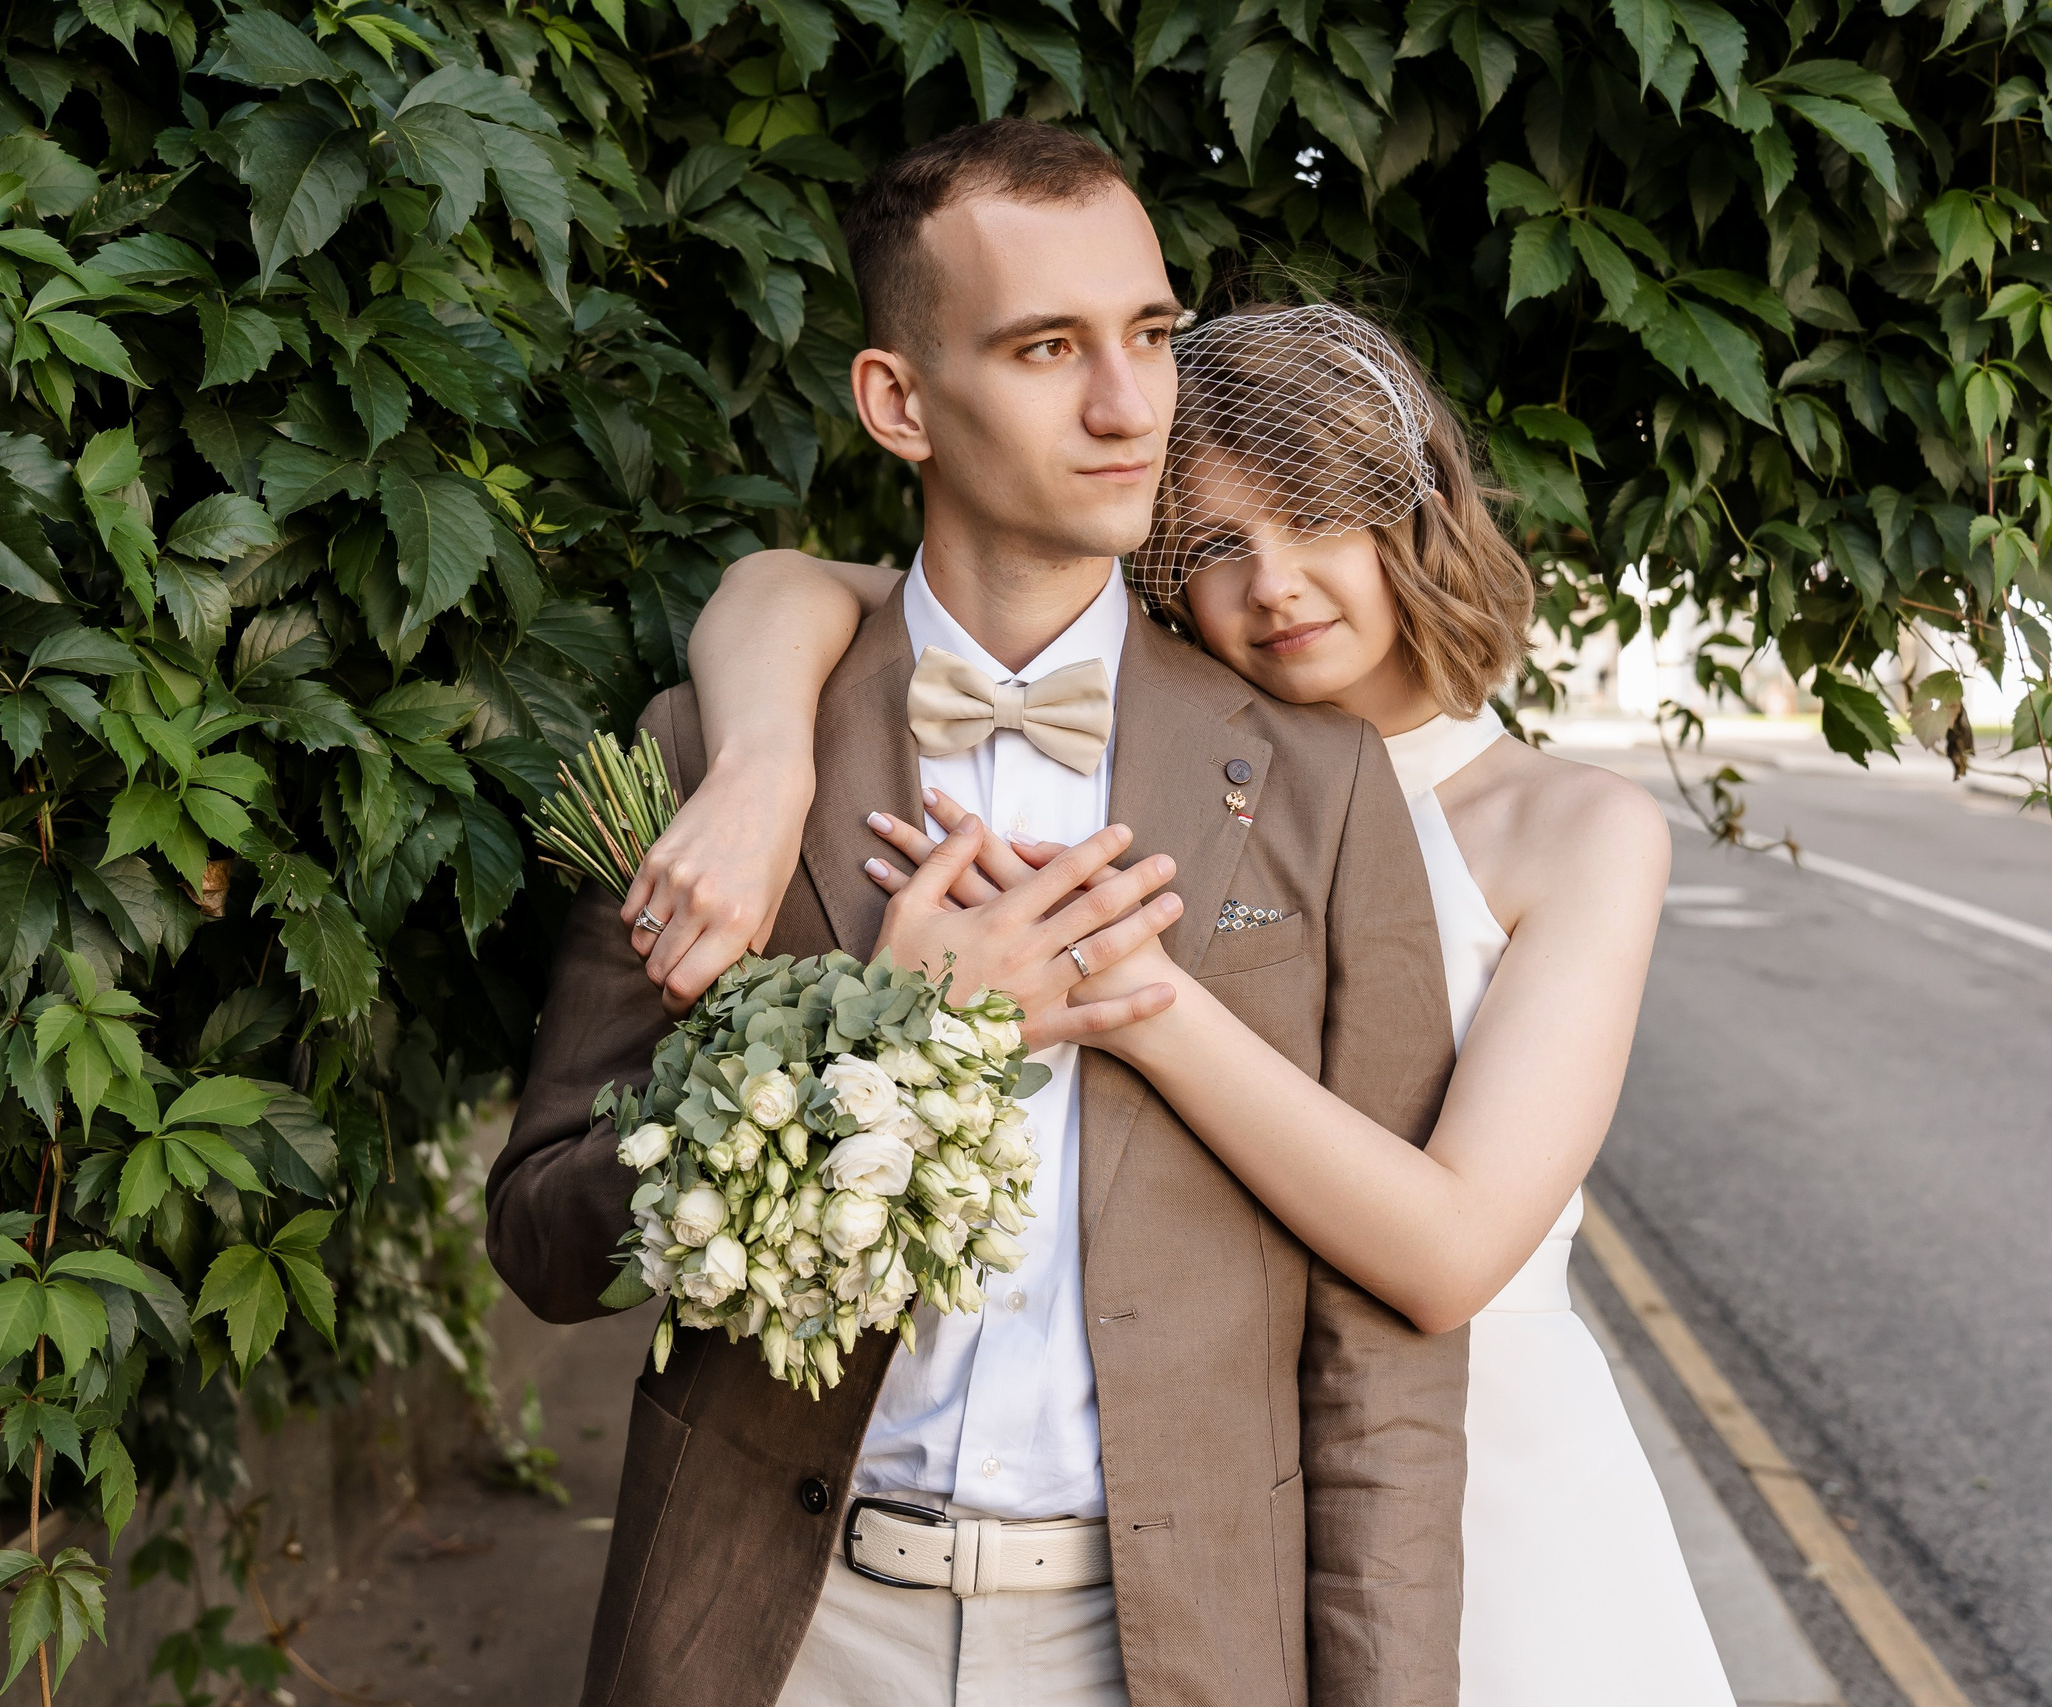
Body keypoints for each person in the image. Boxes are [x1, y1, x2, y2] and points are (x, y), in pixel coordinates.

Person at [627, 295, 1736, 1705]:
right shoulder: (1181, 774)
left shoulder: (1572, 829)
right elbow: (782, 587)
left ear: (1418, 511)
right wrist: (767, 761)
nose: (1272, 584)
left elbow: (1452, 1253)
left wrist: (1139, 997)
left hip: (1487, 1493)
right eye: (1211, 544)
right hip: (1215, 1511)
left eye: (1319, 517)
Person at [490, 119, 1472, 1707]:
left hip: (1170, 1644)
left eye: (1150, 335)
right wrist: (883, 1047)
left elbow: (1385, 1371)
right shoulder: (716, 758)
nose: (1129, 402)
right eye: (1046, 349)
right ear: (899, 402)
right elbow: (546, 1243)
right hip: (781, 1635)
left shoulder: (1319, 780)